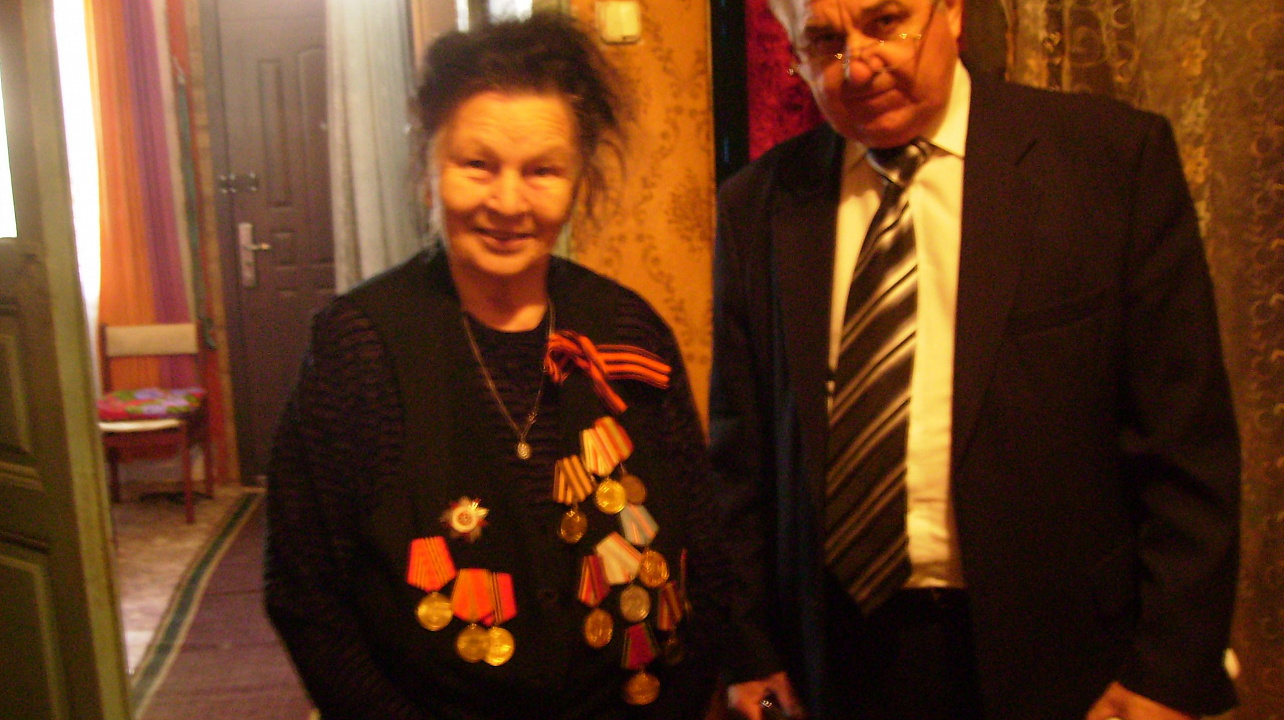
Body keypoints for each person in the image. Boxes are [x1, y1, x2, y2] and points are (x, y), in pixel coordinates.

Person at [709, 0, 1241, 718]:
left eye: (886, 22)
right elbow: (739, 463)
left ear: (953, 13)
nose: (856, 66)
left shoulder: (1109, 163)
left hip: (1066, 663)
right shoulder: (758, 206)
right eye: (825, 40)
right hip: (835, 664)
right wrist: (749, 651)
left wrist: (1167, 675)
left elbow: (1188, 448)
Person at [265, 14, 728, 719]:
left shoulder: (629, 328)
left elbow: (705, 549)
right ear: (428, 168)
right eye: (477, 165)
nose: (508, 203)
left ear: (578, 179)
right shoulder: (356, 348)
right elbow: (306, 596)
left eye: (542, 171)